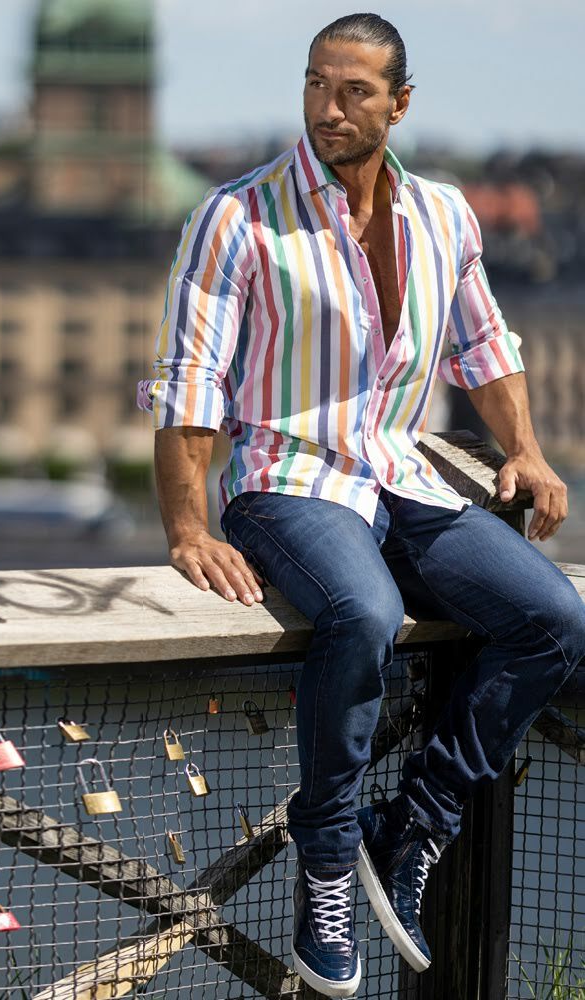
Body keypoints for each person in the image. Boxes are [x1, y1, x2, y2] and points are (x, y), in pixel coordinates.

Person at [136, 12, 585, 998]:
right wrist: (188, 526)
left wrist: (526, 450)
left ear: (399, 103)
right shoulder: (237, 215)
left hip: (403, 475)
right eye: (315, 85)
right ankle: (329, 856)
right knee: (364, 611)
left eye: (353, 91)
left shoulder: (443, 215)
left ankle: (412, 824)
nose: (328, 108)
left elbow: (486, 345)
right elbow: (188, 381)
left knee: (552, 618)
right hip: (288, 480)